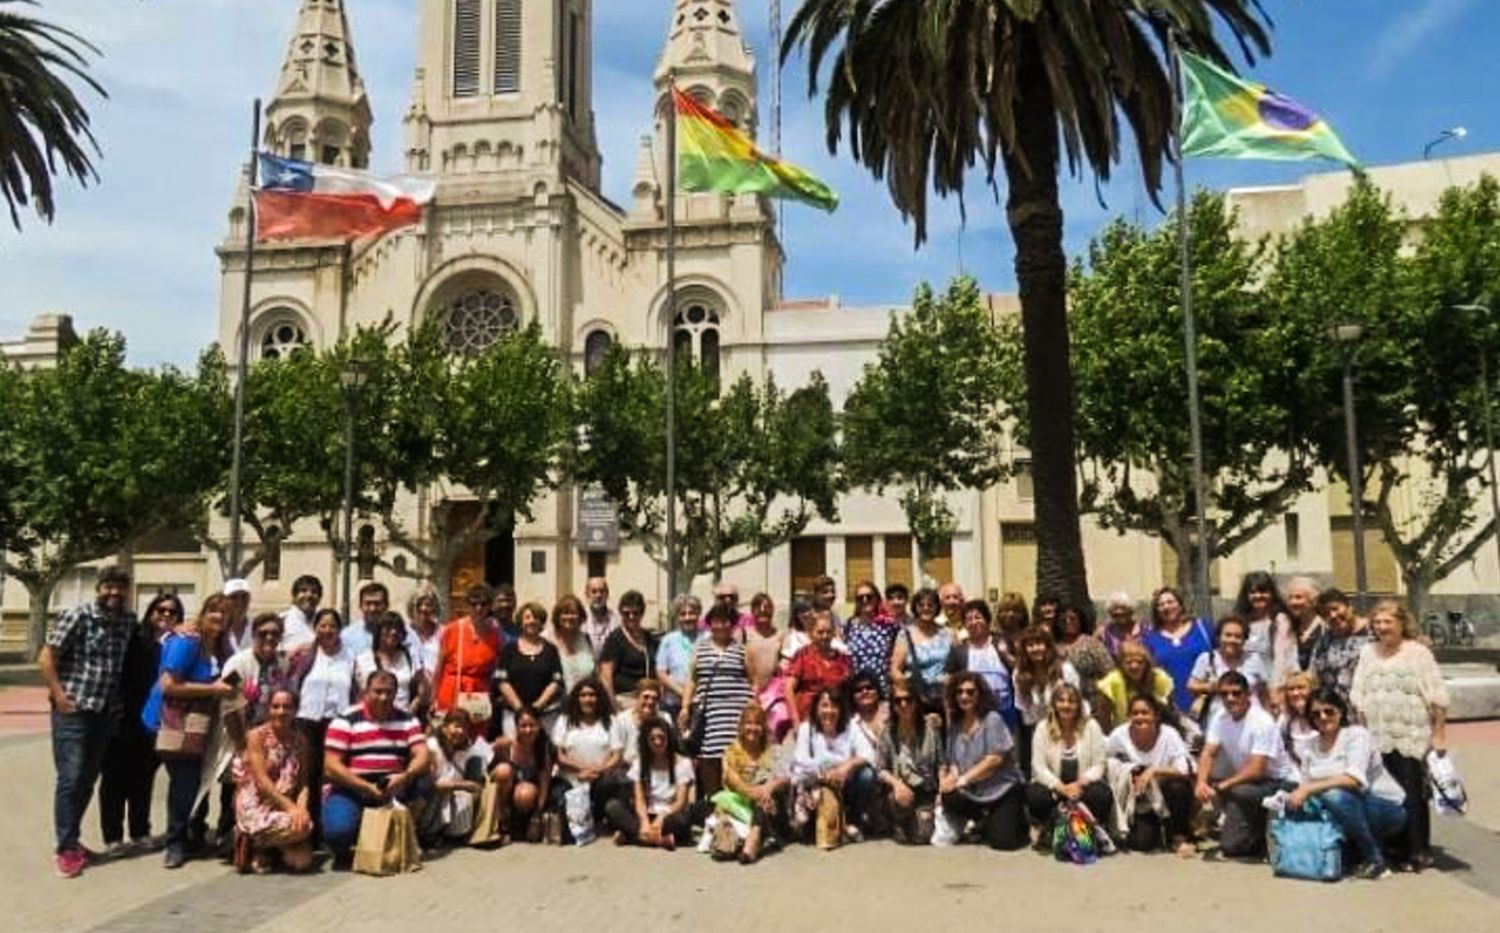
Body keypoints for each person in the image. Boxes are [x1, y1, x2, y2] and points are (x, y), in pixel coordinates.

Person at [40, 566, 137, 878]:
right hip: (74, 711)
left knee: (86, 779)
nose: (114, 593)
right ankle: (66, 849)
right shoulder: (77, 616)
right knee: (70, 777)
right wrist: (59, 696)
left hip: (105, 713)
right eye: (109, 587)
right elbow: (46, 657)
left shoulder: (126, 620)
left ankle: (73, 841)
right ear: (99, 588)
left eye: (120, 588)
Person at [1349, 600, 1449, 872]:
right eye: (1377, 622)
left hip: (1410, 734)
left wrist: (1439, 733)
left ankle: (1417, 850)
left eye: (1387, 622)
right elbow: (1359, 692)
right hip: (1377, 734)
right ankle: (1393, 846)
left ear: (1401, 623)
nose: (1382, 628)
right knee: (1384, 792)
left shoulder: (1418, 653)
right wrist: (1361, 732)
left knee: (1411, 792)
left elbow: (1437, 695)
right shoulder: (1368, 652)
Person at [141, 593, 234, 869]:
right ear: (203, 614)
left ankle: (193, 834)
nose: (219, 617)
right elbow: (169, 685)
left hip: (202, 725)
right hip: (174, 723)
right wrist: (213, 690)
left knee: (198, 780)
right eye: (214, 611)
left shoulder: (219, 646)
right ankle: (175, 843)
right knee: (185, 782)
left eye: (225, 613)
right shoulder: (187, 642)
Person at [1285, 688, 1408, 880]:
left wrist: (1309, 789)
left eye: (1329, 711)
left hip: (1384, 807)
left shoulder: (1356, 735)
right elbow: (1303, 783)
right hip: (1343, 808)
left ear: (1340, 711)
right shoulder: (1310, 746)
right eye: (1316, 714)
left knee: (1333, 795)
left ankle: (1374, 859)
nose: (1323, 717)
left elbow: (1352, 780)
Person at [98, 591, 180, 858]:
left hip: (153, 723)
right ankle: (113, 836)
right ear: (150, 613)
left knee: (143, 778)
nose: (165, 615)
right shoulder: (135, 638)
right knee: (114, 780)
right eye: (160, 610)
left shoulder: (175, 644)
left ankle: (140, 832)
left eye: (172, 611)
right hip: (123, 720)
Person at [321, 669, 431, 861]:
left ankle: (404, 835)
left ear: (396, 694)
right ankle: (358, 839)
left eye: (389, 692)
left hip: (394, 787)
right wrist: (367, 788)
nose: (383, 697)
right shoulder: (345, 720)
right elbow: (331, 766)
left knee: (423, 778)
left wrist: (406, 776)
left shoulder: (408, 720)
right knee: (337, 833)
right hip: (352, 789)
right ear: (366, 692)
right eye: (378, 691)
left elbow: (423, 755)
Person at [1195, 670, 1281, 858]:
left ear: (1248, 694)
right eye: (1224, 694)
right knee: (1202, 779)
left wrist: (1223, 786)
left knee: (1236, 793)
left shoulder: (1262, 721)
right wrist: (1201, 783)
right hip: (1246, 783)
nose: (1230, 698)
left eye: (1236, 693)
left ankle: (1261, 829)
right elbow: (1209, 752)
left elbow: (1257, 770)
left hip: (1276, 781)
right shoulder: (1219, 717)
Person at [937, 673, 1027, 850]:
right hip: (975, 791)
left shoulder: (992, 719)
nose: (964, 696)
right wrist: (949, 780)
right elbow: (954, 761)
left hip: (1002, 789)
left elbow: (994, 760)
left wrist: (962, 780)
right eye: (959, 692)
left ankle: (1019, 819)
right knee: (949, 796)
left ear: (980, 694)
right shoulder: (955, 724)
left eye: (971, 692)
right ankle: (982, 820)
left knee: (1004, 843)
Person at [289, 607, 356, 843]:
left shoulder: (349, 655)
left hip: (337, 723)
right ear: (315, 628)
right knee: (307, 775)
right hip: (307, 721)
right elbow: (290, 681)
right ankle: (307, 830)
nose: (327, 630)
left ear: (340, 629)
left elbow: (355, 687)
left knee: (332, 776)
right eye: (323, 625)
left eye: (333, 626)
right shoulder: (305, 653)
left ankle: (330, 831)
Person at [232, 688, 313, 873]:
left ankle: (263, 850)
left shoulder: (300, 741)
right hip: (256, 802)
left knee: (302, 855)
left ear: (295, 710)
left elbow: (303, 784)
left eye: (287, 707)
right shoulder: (256, 736)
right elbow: (261, 780)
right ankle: (250, 839)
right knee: (296, 830)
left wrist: (301, 810)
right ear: (268, 709)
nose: (281, 711)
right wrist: (291, 809)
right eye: (275, 706)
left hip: (281, 806)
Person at [680, 602, 756, 797]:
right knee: (711, 769)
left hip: (736, 717)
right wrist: (685, 707)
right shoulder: (700, 650)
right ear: (710, 624)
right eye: (717, 621)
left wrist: (753, 710)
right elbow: (692, 680)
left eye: (726, 622)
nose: (721, 626)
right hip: (711, 719)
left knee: (737, 766)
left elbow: (753, 681)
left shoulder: (742, 650)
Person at [1104, 694, 1195, 855]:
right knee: (1141, 843)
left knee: (1179, 787)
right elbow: (1104, 762)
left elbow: (1184, 769)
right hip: (1138, 799)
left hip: (1167, 795)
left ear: (1156, 715)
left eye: (1145, 713)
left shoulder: (1169, 734)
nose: (1140, 717)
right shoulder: (1119, 735)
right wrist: (1126, 772)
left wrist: (1153, 771)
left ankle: (1179, 837)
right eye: (1135, 713)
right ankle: (1158, 829)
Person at [1026, 683, 1113, 848]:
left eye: (1072, 701)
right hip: (1055, 789)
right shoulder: (1042, 728)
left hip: (1082, 788)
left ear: (1079, 705)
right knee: (1035, 794)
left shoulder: (1091, 726)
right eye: (1061, 701)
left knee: (1102, 794)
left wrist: (1081, 783)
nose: (1066, 705)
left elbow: (1099, 763)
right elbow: (1038, 766)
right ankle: (1048, 828)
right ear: (1054, 704)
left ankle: (1090, 829)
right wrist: (1060, 787)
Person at [791, 688, 878, 847]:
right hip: (815, 786)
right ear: (816, 709)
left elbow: (869, 754)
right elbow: (799, 765)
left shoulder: (851, 726)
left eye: (833, 706)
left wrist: (847, 766)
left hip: (845, 786)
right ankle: (817, 825)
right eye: (824, 706)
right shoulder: (806, 729)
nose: (829, 711)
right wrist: (825, 774)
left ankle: (853, 819)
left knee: (867, 775)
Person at [605, 720, 697, 850]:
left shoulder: (683, 763)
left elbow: (681, 802)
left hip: (669, 815)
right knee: (612, 807)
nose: (657, 742)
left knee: (684, 820)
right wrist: (644, 823)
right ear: (646, 741)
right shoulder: (640, 763)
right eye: (652, 738)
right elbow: (640, 799)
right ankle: (661, 840)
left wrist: (661, 817)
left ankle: (632, 837)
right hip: (647, 813)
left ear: (669, 738)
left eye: (661, 737)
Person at [721, 703, 792, 862]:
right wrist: (760, 793)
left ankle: (752, 842)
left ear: (763, 727)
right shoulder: (730, 753)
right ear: (741, 726)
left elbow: (787, 777)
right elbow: (735, 783)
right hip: (742, 808)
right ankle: (756, 838)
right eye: (748, 723)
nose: (752, 728)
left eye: (757, 724)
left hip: (773, 809)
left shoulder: (774, 750)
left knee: (768, 797)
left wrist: (770, 787)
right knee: (764, 801)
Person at [551, 676, 622, 831]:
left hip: (599, 779)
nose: (588, 699)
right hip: (570, 779)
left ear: (599, 698)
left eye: (592, 695)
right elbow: (559, 756)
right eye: (583, 695)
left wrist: (596, 771)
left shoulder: (610, 721)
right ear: (576, 698)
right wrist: (581, 770)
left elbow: (616, 756)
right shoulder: (564, 720)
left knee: (609, 783)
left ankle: (596, 817)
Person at [877, 681, 945, 844]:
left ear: (916, 702)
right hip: (901, 789)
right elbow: (880, 769)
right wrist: (896, 784)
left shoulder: (930, 728)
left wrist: (941, 792)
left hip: (926, 789)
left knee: (922, 837)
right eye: (898, 701)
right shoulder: (888, 731)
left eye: (908, 699)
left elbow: (941, 763)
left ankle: (919, 817)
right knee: (897, 802)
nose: (904, 704)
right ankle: (899, 821)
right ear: (892, 705)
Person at [1011, 625, 1081, 778]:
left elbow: (1078, 704)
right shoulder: (1019, 674)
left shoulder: (1065, 670)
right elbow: (1026, 714)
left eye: (1039, 643)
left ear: (1048, 646)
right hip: (1039, 732)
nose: (1036, 648)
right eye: (1030, 645)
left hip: (1069, 730)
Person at [432, 584, 501, 735]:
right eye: (474, 603)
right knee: (451, 734)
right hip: (453, 689)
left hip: (479, 692)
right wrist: (434, 698)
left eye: (483, 604)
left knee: (475, 736)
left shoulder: (494, 634)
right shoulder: (453, 629)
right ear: (467, 605)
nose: (478, 608)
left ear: (490, 606)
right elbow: (439, 666)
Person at [422, 709, 493, 845]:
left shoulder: (468, 751)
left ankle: (453, 834)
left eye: (465, 728)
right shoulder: (432, 747)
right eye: (456, 726)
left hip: (452, 797)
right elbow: (432, 783)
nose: (460, 731)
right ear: (444, 728)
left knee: (467, 796)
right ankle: (426, 834)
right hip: (432, 796)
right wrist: (462, 785)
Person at [944, 599, 1015, 732]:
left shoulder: (1002, 642)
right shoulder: (959, 651)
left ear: (987, 619)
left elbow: (1017, 669)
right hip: (972, 717)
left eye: (978, 617)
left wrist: (1008, 656)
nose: (974, 622)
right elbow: (948, 684)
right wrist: (950, 717)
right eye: (969, 619)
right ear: (964, 624)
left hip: (1006, 713)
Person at [495, 601, 564, 737]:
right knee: (514, 754)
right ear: (521, 622)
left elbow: (556, 681)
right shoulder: (509, 649)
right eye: (527, 617)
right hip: (513, 714)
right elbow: (502, 681)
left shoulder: (551, 650)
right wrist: (520, 709)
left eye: (536, 617)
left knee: (546, 755)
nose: (532, 621)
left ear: (542, 622)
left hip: (546, 715)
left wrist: (537, 707)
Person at [1187, 616, 1270, 726]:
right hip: (1220, 721)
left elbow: (1264, 692)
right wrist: (1212, 687)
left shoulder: (1254, 659)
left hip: (1253, 720)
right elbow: (1191, 685)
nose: (1232, 640)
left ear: (1244, 639)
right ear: (1218, 637)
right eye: (1228, 635)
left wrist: (1268, 716)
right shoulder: (1207, 658)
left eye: (1238, 636)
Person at [1142, 587, 1213, 714]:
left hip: (1206, 705)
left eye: (1170, 602)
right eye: (1161, 605)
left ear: (1180, 605)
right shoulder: (1150, 638)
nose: (1166, 607)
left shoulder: (1203, 628)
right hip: (1169, 710)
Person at [490, 705, 555, 843]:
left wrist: (538, 814)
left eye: (532, 725)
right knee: (503, 771)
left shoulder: (544, 747)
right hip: (503, 793)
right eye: (523, 726)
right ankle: (501, 822)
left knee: (525, 794)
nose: (528, 730)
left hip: (527, 793)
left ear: (539, 725)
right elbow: (490, 774)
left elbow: (545, 782)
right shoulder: (505, 745)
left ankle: (525, 824)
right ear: (516, 727)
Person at [784, 613, 852, 730]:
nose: (825, 636)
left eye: (828, 632)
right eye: (820, 632)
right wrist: (795, 720)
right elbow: (788, 689)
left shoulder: (843, 659)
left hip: (835, 720)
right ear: (811, 634)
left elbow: (848, 692)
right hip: (807, 719)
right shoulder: (803, 656)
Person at [889, 587, 952, 713]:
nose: (926, 608)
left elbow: (959, 665)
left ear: (937, 607)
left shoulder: (948, 633)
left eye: (930, 604)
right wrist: (906, 687)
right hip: (917, 701)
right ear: (915, 608)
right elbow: (895, 669)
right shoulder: (905, 635)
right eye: (921, 605)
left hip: (945, 699)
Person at [1093, 641, 1175, 733]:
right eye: (1128, 662)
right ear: (1121, 664)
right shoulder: (1112, 682)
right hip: (1123, 734)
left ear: (1147, 663)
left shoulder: (1159, 679)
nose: (1134, 666)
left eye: (1139, 662)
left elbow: (1169, 710)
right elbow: (1104, 717)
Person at [354, 612, 429, 713]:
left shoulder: (410, 657)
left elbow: (422, 686)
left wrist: (415, 705)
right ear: (379, 632)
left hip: (404, 718)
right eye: (388, 628)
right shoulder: (365, 659)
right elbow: (361, 694)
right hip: (375, 718)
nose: (393, 632)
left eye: (397, 629)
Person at [599, 590, 657, 709]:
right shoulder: (615, 639)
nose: (631, 617)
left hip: (649, 700)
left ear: (642, 613)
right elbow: (606, 675)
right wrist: (612, 705)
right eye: (626, 613)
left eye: (635, 613)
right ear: (621, 613)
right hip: (625, 701)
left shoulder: (649, 637)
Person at [1309, 588, 1370, 703]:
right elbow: (1313, 675)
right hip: (1336, 713)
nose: (1332, 615)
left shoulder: (1375, 631)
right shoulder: (1324, 642)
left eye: (1335, 608)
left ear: (1349, 606)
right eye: (1325, 614)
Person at [1233, 570, 1290, 683]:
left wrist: (1276, 685)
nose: (1258, 596)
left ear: (1272, 593)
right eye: (1253, 592)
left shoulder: (1279, 620)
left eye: (1263, 591)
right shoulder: (1241, 621)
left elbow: (1281, 658)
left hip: (1271, 683)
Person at [845, 580, 899, 697]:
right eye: (860, 598)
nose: (865, 600)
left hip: (883, 689)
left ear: (876, 598)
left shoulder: (889, 625)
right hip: (857, 691)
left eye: (869, 597)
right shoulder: (849, 626)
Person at [656, 594, 702, 716]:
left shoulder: (707, 638)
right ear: (677, 617)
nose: (687, 617)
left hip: (701, 702)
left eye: (691, 613)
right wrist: (683, 693)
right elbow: (661, 673)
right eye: (682, 614)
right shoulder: (668, 640)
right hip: (673, 703)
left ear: (698, 614)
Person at [1276, 576, 1325, 689]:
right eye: (1290, 598)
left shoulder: (1325, 628)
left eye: (1298, 597)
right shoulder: (1288, 629)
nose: (1293, 602)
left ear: (1313, 601)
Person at [342, 582, 403, 658]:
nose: (372, 609)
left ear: (387, 605)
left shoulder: (401, 633)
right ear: (360, 606)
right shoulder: (347, 636)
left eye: (377, 604)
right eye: (368, 603)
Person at [549, 594, 596, 692]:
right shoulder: (546, 639)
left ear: (580, 617)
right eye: (565, 613)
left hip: (583, 700)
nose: (569, 617)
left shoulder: (586, 638)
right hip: (555, 701)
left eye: (574, 613)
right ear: (557, 616)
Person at [744, 592, 782, 692]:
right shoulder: (745, 635)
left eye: (767, 607)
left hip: (774, 694)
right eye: (758, 607)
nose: (762, 610)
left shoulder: (781, 636)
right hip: (749, 692)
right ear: (752, 611)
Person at [406, 584, 444, 678]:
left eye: (428, 604)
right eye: (419, 604)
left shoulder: (443, 633)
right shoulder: (404, 632)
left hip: (437, 685)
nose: (423, 608)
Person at [279, 575, 323, 653]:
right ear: (294, 596)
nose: (309, 595)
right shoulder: (282, 621)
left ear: (319, 598)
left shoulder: (324, 621)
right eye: (303, 591)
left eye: (314, 592)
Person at [1098, 591, 1145, 658]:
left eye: (1123, 608)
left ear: (1131, 610)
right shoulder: (1103, 631)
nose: (1119, 612)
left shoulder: (1145, 629)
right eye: (1115, 608)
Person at [583, 576, 622, 654]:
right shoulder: (580, 618)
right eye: (594, 591)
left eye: (602, 591)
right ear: (587, 594)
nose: (598, 595)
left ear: (607, 594)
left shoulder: (617, 619)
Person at [222, 578, 253, 654]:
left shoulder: (257, 627)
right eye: (233, 597)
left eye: (244, 597)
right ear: (224, 600)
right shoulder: (218, 627)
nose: (239, 602)